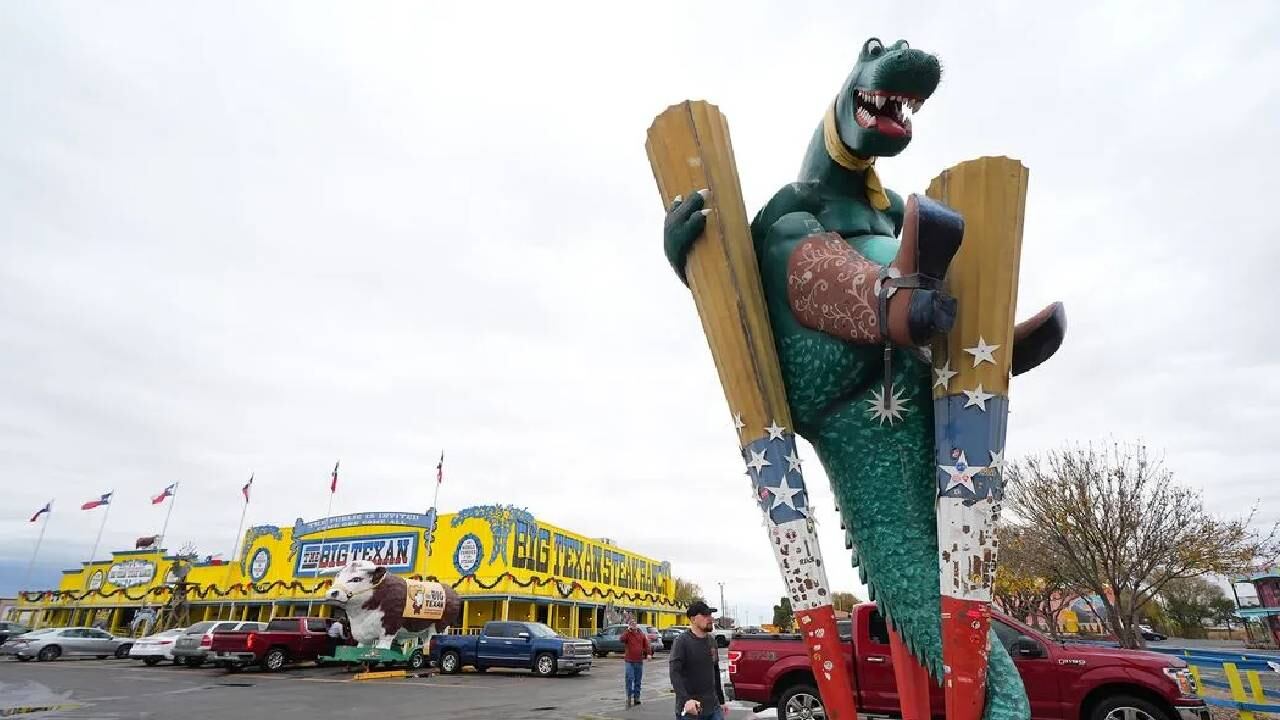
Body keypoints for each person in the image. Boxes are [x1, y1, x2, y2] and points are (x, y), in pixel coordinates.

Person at [669, 600, 728, 719]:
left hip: (713, 707)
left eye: (710, 615)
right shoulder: (682, 642)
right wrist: (686, 700)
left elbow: (715, 671)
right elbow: (675, 673)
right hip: (692, 710)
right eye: (705, 615)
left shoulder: (712, 641)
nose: (710, 618)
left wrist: (721, 701)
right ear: (693, 619)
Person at [620, 616, 653, 707]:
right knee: (630, 678)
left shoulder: (641, 634)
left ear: (637, 625)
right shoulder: (627, 634)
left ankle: (637, 697)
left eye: (634, 623)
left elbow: (646, 645)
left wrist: (649, 654)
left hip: (639, 660)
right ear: (629, 626)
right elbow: (621, 639)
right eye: (631, 624)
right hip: (629, 661)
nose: (633, 625)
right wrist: (627, 631)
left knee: (638, 680)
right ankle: (629, 696)